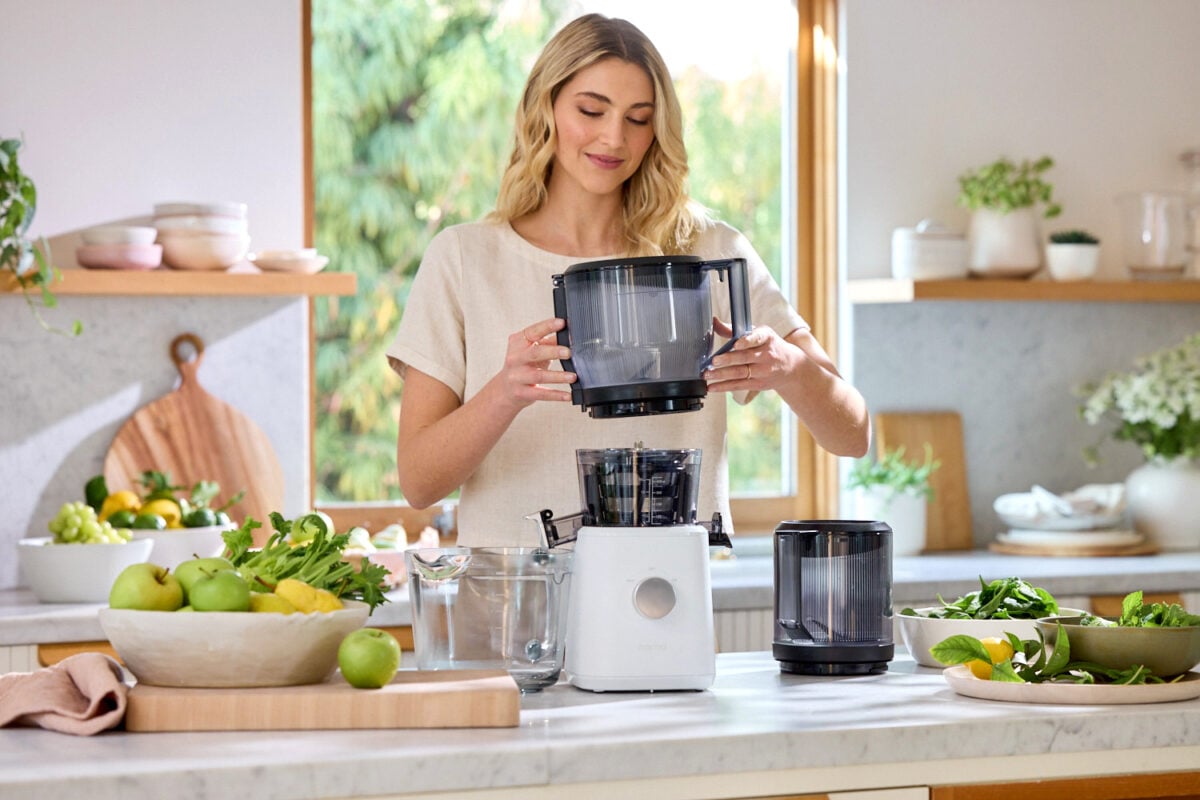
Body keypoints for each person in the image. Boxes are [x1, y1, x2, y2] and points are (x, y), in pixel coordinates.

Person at [387, 13, 870, 547]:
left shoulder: (709, 252)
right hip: (516, 604)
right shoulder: (464, 258)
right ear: (544, 105)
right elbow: (419, 481)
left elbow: (853, 434)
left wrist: (789, 367)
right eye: (591, 110)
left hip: (668, 601)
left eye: (638, 119)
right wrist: (504, 393)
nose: (613, 137)